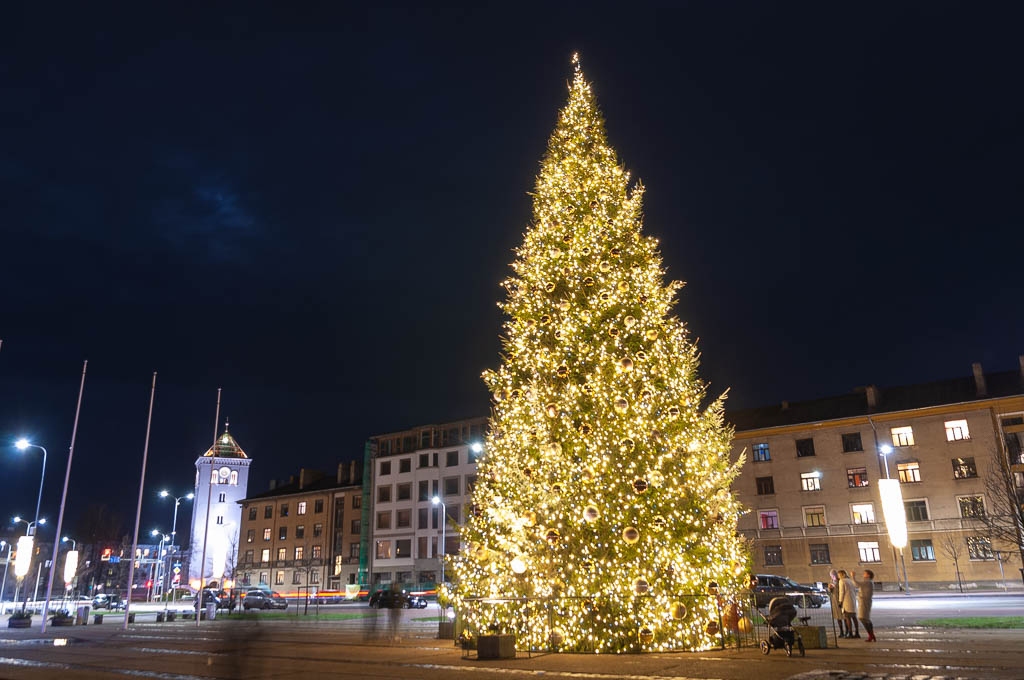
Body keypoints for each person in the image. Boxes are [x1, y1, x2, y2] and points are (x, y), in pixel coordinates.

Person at [836, 569, 859, 638]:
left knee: (848, 617)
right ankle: (857, 632)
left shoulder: (841, 581)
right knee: (854, 617)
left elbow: (841, 592)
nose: (838, 576)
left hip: (846, 601)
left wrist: (840, 601)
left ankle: (850, 633)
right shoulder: (850, 580)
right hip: (852, 600)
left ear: (841, 575)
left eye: (838, 574)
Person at [855, 569, 876, 642]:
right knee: (866, 618)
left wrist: (853, 576)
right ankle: (871, 635)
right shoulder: (867, 582)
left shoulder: (868, 582)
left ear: (868, 575)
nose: (863, 574)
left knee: (862, 618)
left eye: (865, 573)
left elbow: (856, 584)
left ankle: (871, 635)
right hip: (864, 601)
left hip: (864, 602)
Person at [826, 569, 847, 638]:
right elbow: (829, 593)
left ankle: (847, 631)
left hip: (841, 600)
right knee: (838, 617)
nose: (833, 577)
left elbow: (842, 590)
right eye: (831, 575)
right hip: (834, 601)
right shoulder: (831, 581)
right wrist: (829, 588)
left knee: (844, 616)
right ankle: (841, 631)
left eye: (833, 575)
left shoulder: (840, 581)